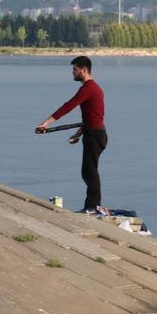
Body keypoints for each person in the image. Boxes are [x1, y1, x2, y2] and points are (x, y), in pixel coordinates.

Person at [35, 56, 107, 214]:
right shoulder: (93, 88)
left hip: (95, 134)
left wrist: (46, 123)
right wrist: (79, 133)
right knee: (88, 170)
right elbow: (91, 118)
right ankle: (92, 205)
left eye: (75, 70)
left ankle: (93, 206)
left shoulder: (89, 88)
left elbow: (68, 106)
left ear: (84, 70)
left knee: (90, 171)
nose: (72, 73)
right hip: (94, 132)